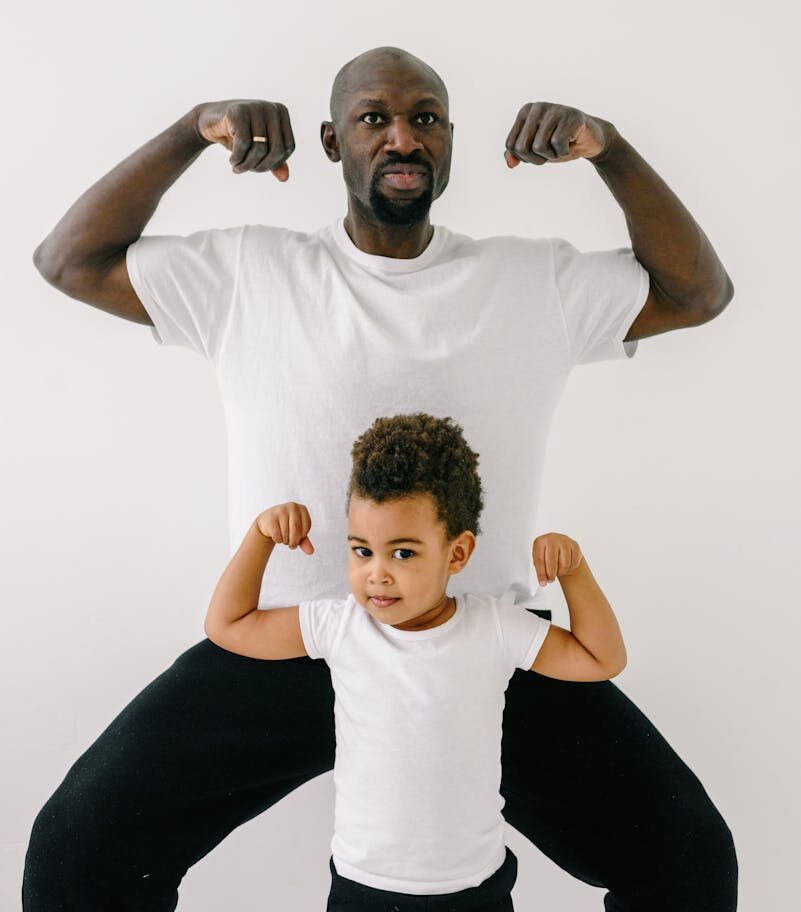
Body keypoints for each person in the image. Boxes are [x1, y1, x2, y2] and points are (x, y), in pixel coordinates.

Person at [25, 45, 737, 912]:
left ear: (449, 140)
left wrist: (610, 149)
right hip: (288, 640)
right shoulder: (250, 271)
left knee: (687, 857)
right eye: (374, 119)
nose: (402, 138)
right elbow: (69, 262)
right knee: (78, 853)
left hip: (476, 648)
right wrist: (188, 132)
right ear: (333, 142)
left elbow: (698, 294)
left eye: (424, 119)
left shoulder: (531, 280)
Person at [204, 412, 628, 912]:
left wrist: (574, 570)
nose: (377, 574)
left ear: (457, 553)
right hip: (365, 887)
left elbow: (602, 658)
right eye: (362, 551)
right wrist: (260, 536)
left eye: (403, 554)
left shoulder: (492, 627)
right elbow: (227, 626)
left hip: (475, 888)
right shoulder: (339, 626)